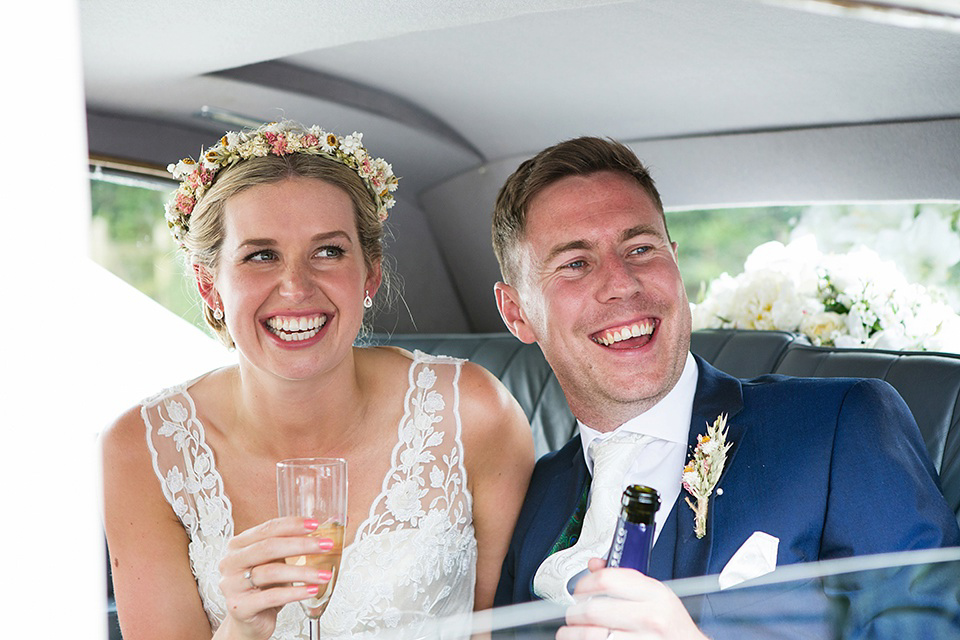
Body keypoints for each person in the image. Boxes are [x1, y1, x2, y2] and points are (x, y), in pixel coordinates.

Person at [489, 136, 960, 637]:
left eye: (640, 248)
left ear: (674, 261)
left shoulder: (841, 426)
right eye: (576, 264)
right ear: (517, 313)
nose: (622, 284)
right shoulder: (529, 500)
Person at [101, 120, 534, 640]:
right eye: (261, 255)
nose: (296, 286)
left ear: (370, 271)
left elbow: (510, 631)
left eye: (328, 251)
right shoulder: (141, 451)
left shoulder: (475, 413)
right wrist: (243, 626)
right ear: (209, 283)